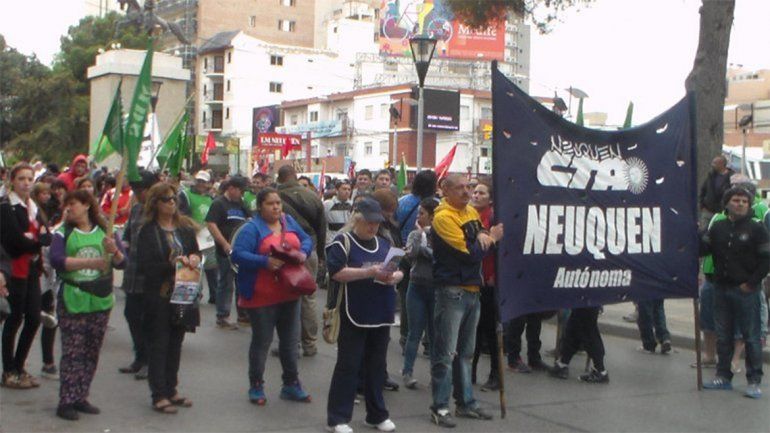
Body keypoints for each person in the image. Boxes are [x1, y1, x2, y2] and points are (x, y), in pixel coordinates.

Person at [429, 174, 503, 428]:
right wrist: (490, 238)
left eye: (468, 187)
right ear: (446, 190)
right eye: (460, 188)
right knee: (446, 353)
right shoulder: (443, 218)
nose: (466, 191)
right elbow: (470, 254)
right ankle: (440, 407)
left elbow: (478, 233)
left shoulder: (470, 212)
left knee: (465, 353)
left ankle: (465, 403)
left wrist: (483, 234)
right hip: (452, 291)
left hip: (472, 290)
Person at [325, 198, 403, 433]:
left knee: (376, 366)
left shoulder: (383, 243)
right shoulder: (343, 242)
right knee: (348, 365)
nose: (373, 227)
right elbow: (336, 273)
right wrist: (368, 272)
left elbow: (399, 271)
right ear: (357, 220)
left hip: (380, 311)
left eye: (376, 223)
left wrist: (393, 277)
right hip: (353, 312)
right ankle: (337, 418)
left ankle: (377, 414)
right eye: (368, 223)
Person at [231, 188, 313, 405]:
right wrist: (263, 262)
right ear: (260, 207)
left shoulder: (288, 221)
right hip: (262, 295)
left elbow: (307, 239)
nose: (276, 207)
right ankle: (256, 385)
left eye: (278, 203)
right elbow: (238, 254)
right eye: (270, 203)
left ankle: (291, 384)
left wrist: (303, 253)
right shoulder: (252, 229)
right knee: (262, 342)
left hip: (290, 292)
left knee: (289, 342)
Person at [50, 189, 127, 420]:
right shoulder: (62, 233)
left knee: (91, 350)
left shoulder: (106, 231)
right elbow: (57, 260)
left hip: (100, 299)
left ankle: (81, 395)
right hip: (73, 297)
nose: (69, 209)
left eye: (72, 204)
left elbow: (123, 263)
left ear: (86, 205)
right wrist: (90, 262)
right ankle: (66, 400)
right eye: (67, 204)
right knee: (73, 351)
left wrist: (114, 252)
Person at [137, 183, 201, 413]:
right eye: (166, 199)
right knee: (159, 343)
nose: (172, 202)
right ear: (156, 203)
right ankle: (158, 393)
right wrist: (171, 265)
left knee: (176, 341)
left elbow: (196, 250)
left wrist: (193, 258)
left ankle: (171, 388)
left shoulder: (183, 228)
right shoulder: (148, 231)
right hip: (159, 294)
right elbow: (145, 265)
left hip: (183, 293)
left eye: (174, 198)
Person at [701, 187, 768, 399]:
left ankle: (754, 380)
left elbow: (767, 259)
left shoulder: (757, 229)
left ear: (748, 205)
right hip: (721, 288)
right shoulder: (718, 227)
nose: (740, 204)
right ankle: (723, 376)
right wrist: (697, 233)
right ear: (727, 203)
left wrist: (751, 283)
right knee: (723, 336)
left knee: (751, 336)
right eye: (735, 200)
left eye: (744, 201)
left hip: (746, 291)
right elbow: (703, 249)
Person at [0, 163, 51, 389]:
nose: (26, 182)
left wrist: (34, 239)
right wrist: (35, 240)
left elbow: (46, 237)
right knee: (14, 319)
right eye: (21, 178)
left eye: (30, 178)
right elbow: (14, 242)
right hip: (14, 270)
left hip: (32, 269)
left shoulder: (34, 207)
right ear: (12, 180)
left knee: (32, 317)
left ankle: (20, 366)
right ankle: (9, 369)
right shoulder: (6, 207)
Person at [277, 165, 327, 357]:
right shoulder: (312, 196)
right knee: (309, 297)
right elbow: (322, 227)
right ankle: (310, 343)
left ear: (280, 179)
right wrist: (321, 254)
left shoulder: (274, 197)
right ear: (295, 177)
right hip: (310, 251)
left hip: (284, 251)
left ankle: (291, 343)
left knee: (286, 297)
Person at [119, 170, 159, 380]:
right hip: (132, 272)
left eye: (142, 190)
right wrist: (119, 247)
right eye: (136, 190)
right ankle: (139, 356)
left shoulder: (161, 211)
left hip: (152, 275)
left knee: (149, 320)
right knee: (131, 315)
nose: (139, 194)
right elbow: (127, 236)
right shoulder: (135, 210)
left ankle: (150, 361)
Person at [401, 198, 438, 389]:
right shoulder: (415, 234)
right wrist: (421, 237)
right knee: (414, 332)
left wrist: (426, 237)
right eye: (418, 213)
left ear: (433, 216)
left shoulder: (440, 234)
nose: (418, 216)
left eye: (422, 213)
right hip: (416, 286)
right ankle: (407, 372)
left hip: (435, 289)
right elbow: (411, 254)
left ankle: (435, 374)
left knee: (434, 334)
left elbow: (438, 257)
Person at [206, 175, 250, 329]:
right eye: (240, 190)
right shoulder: (219, 204)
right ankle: (222, 316)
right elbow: (211, 224)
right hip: (225, 251)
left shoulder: (241, 203)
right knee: (225, 283)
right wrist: (224, 244)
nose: (241, 194)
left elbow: (249, 219)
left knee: (241, 282)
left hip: (240, 250)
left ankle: (243, 315)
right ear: (231, 189)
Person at [31, 182, 59, 380]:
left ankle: (48, 363)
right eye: (44, 193)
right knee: (28, 318)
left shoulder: (53, 212)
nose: (48, 196)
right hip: (34, 272)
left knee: (49, 319)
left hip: (49, 276)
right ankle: (13, 364)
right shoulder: (31, 211)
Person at [179, 170, 218, 304]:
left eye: (204, 181)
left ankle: (214, 294)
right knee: (193, 265)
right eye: (199, 181)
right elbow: (181, 215)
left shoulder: (211, 199)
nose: (201, 184)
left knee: (211, 266)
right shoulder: (185, 195)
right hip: (190, 236)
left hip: (207, 237)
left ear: (208, 184)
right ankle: (194, 293)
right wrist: (193, 226)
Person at [548, 307, 609, 384]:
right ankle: (563, 364)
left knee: (587, 329)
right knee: (574, 326)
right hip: (585, 299)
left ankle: (601, 370)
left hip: (588, 299)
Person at [699, 155, 734, 228]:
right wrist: (702, 205)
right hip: (708, 211)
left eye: (715, 163)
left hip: (723, 212)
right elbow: (703, 190)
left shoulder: (732, 178)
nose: (712, 165)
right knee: (703, 231)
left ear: (722, 164)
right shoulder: (711, 176)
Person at [324, 180, 353, 246]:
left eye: (349, 189)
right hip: (332, 242)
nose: (347, 191)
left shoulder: (353, 205)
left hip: (348, 242)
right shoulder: (327, 205)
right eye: (344, 189)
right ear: (337, 190)